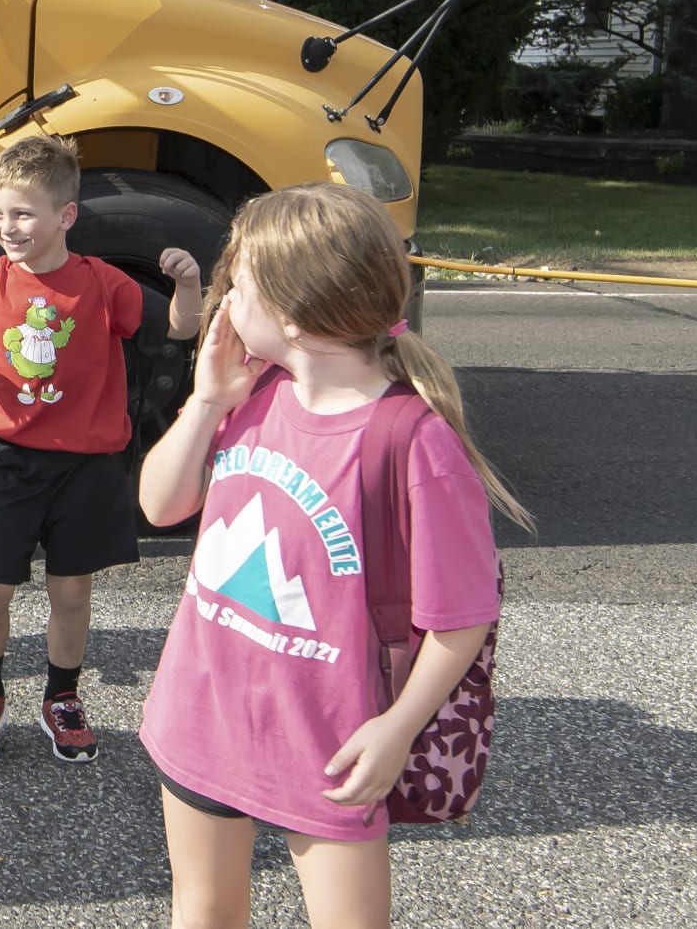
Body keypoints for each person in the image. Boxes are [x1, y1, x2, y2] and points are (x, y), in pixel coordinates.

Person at [136, 182, 534, 929]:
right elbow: (159, 505)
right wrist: (207, 401)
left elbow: (462, 618)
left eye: (238, 282)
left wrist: (398, 729)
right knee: (202, 911)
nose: (223, 300)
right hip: (200, 712)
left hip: (331, 742)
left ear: (292, 314)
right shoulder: (252, 394)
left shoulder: (413, 442)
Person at [0, 135, 203, 765]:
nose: (7, 227)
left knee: (72, 592)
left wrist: (190, 283)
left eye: (23, 214)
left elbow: (180, 327)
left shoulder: (101, 282)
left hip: (88, 465)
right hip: (8, 459)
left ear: (66, 216)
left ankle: (62, 696)